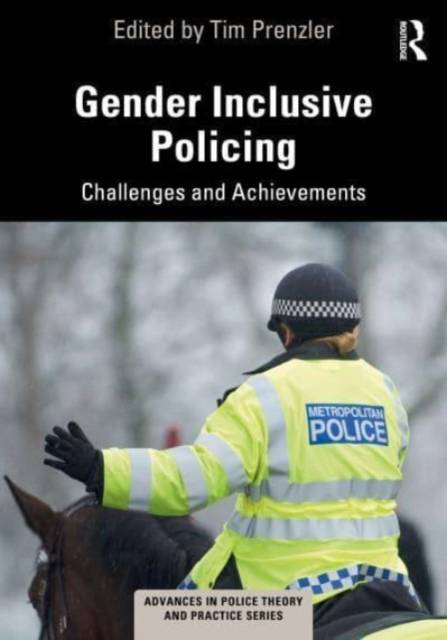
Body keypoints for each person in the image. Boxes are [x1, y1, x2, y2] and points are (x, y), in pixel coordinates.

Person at [43, 263, 427, 622]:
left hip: (291, 596)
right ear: (352, 329)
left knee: (167, 622)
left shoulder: (264, 396)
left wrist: (101, 468)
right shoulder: (386, 394)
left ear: (286, 331)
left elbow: (193, 481)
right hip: (389, 585)